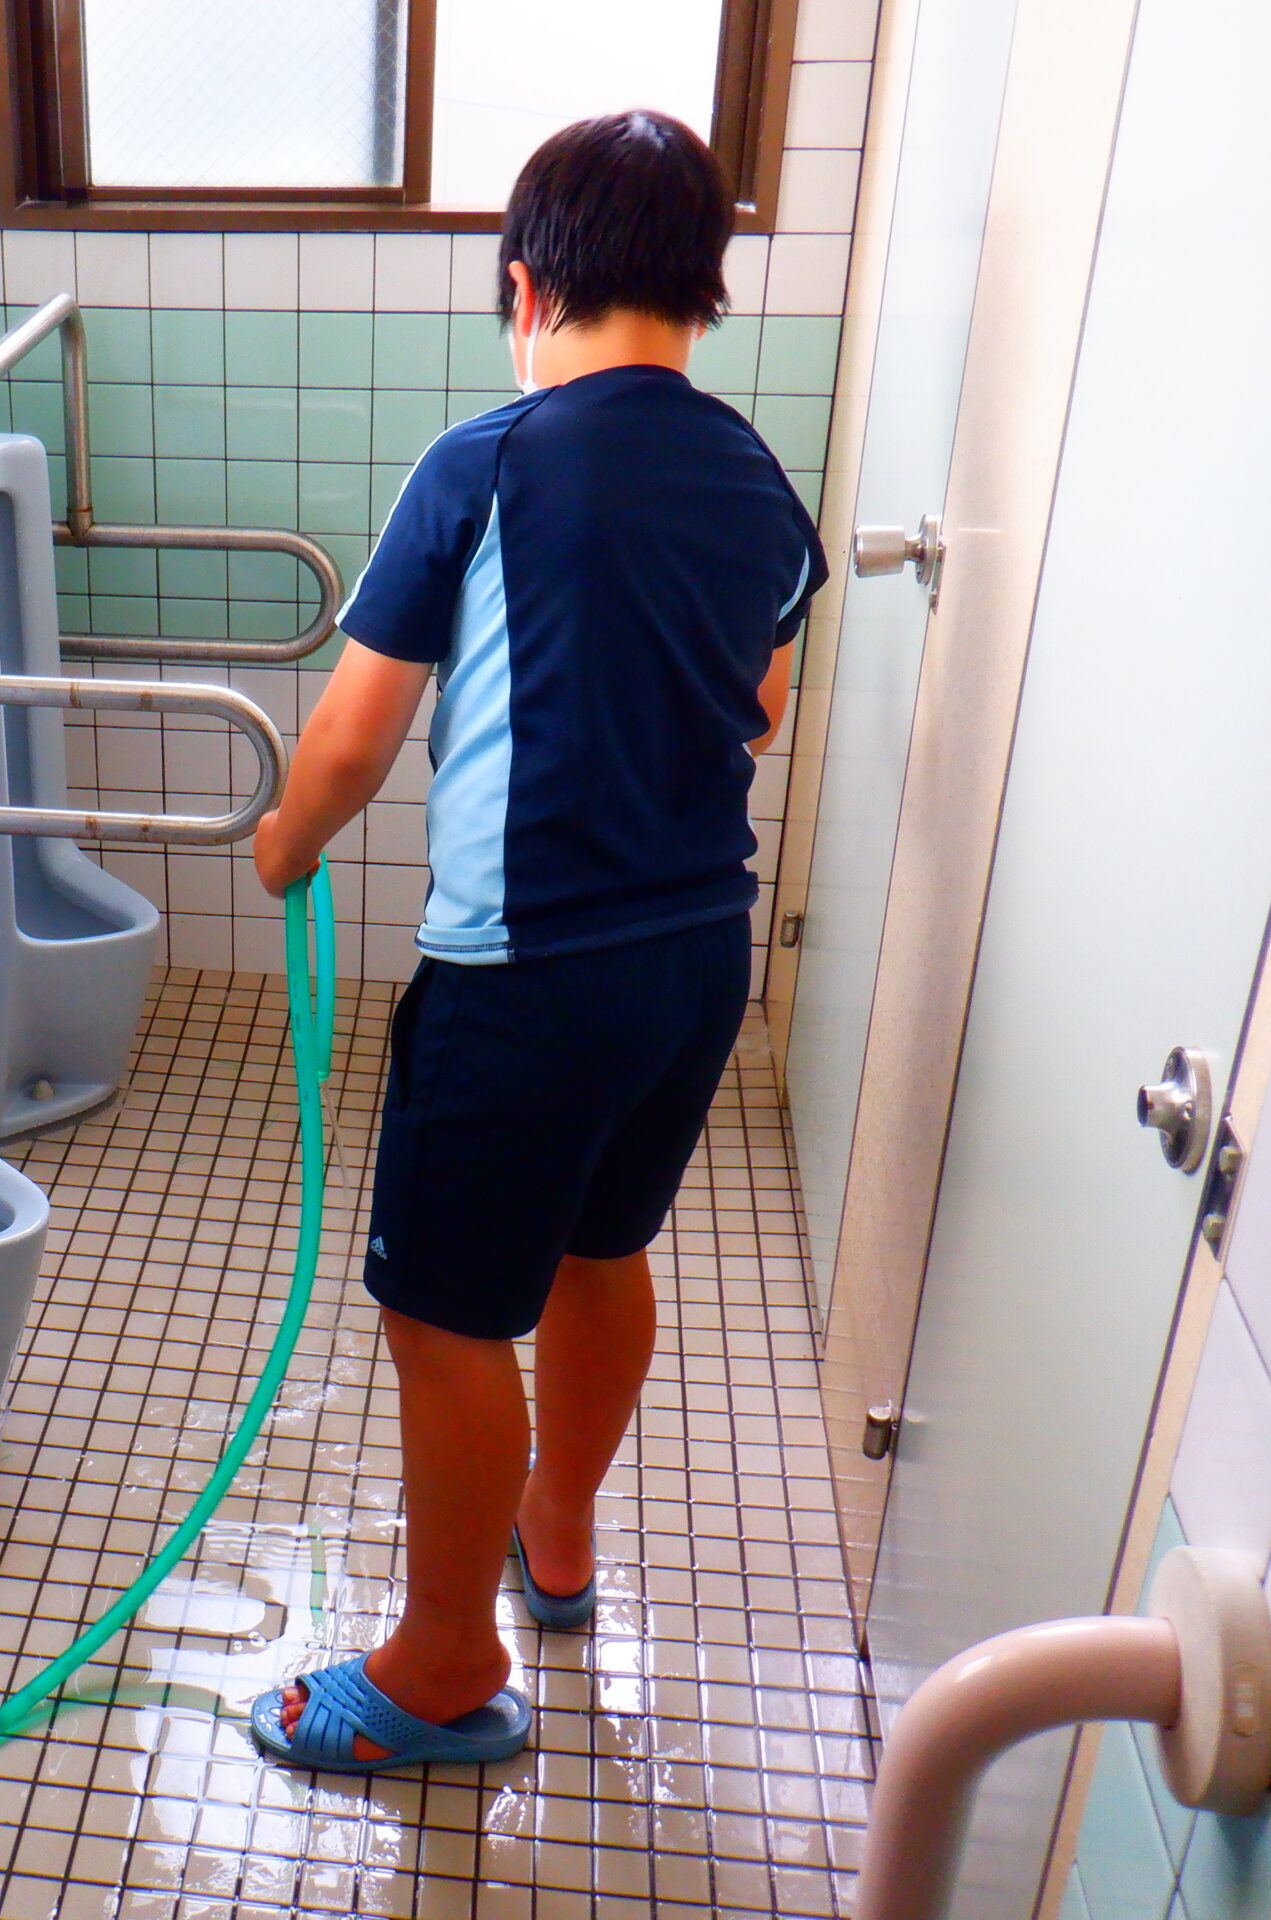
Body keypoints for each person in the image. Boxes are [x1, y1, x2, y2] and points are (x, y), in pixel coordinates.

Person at [244, 108, 825, 1771]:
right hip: (693, 957)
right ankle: (555, 1537)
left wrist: (285, 848)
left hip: (527, 977)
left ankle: (441, 1665)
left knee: (445, 1317)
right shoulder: (760, 483)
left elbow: (351, 739)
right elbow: (762, 709)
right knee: (601, 1249)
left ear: (527, 285)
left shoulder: (484, 463)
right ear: (703, 292)